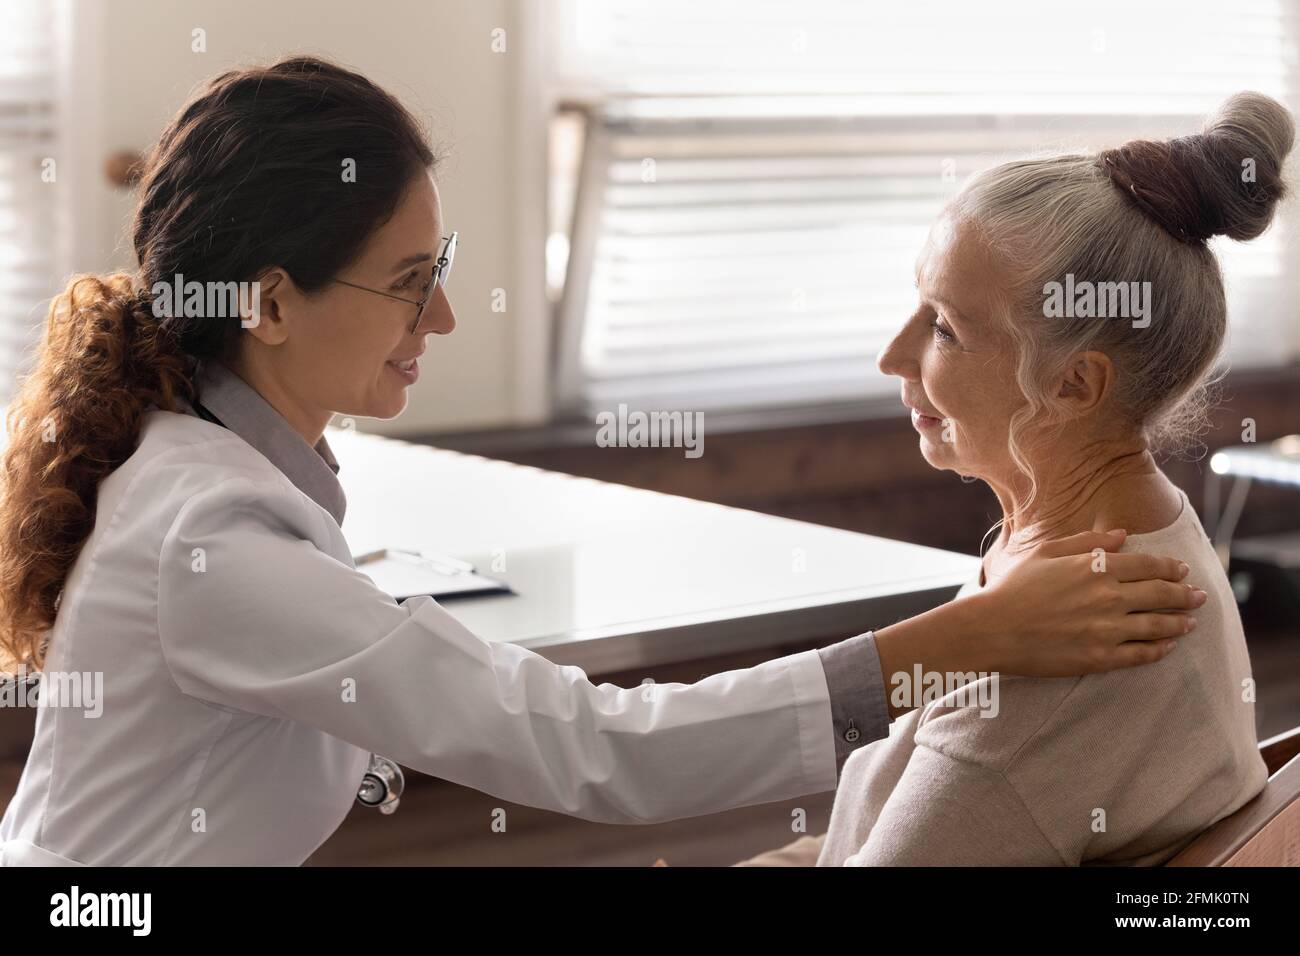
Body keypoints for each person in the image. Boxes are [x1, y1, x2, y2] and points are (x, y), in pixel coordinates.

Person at [0, 57, 1200, 866]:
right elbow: (594, 748)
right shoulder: (212, 537)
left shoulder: (217, 468)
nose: (447, 320)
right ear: (268, 303)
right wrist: (960, 643)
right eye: (412, 285)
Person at [738, 91, 1291, 867]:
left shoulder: (1029, 705)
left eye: (943, 328)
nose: (892, 356)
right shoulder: (1113, 544)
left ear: (1073, 386)